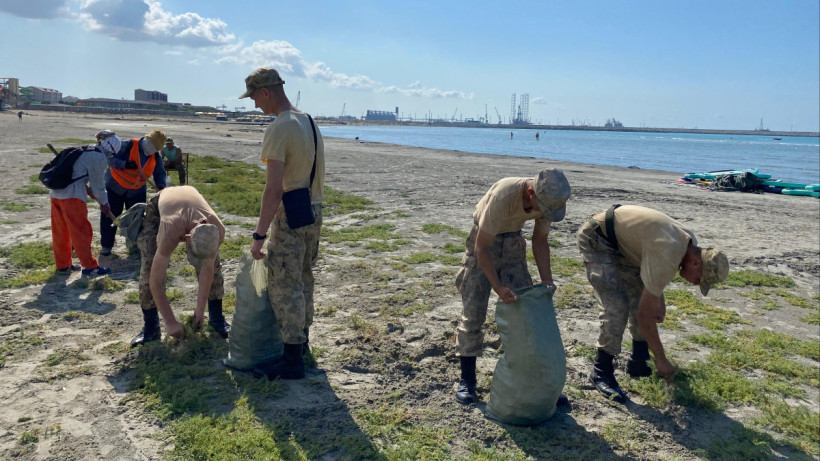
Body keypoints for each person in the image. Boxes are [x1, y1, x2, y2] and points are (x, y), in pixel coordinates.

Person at [576, 205, 729, 403]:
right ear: (696, 263)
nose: (695, 283)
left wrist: (658, 297)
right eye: (700, 280)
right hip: (598, 238)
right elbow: (644, 316)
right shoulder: (670, 252)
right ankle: (601, 371)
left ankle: (639, 361)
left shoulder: (690, 245)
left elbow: (653, 261)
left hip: (625, 244)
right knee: (617, 306)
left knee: (643, 299)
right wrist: (661, 359)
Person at [454, 168, 571, 404]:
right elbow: (482, 246)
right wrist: (497, 286)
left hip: (514, 244)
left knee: (526, 311)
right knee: (473, 312)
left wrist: (547, 281)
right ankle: (467, 380)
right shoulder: (504, 195)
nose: (544, 212)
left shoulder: (548, 199)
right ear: (530, 192)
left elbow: (540, 240)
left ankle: (535, 380)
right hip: (483, 242)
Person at [240, 67, 325, 380]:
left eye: (254, 97)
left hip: (291, 214)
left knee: (285, 284)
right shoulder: (309, 121)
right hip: (314, 210)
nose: (254, 105)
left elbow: (273, 188)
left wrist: (259, 235)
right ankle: (302, 344)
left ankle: (291, 360)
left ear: (266, 92)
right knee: (304, 279)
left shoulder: (280, 127)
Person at [121, 185, 231, 346]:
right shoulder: (171, 228)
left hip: (188, 200)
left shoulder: (216, 230)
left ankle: (216, 320)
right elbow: (155, 281)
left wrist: (200, 311)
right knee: (149, 268)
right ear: (186, 238)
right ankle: (150, 329)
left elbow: (207, 269)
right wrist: (170, 322)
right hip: (157, 210)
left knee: (214, 269)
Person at [49, 135, 118, 276]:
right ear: (109, 149)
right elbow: (98, 186)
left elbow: (78, 174)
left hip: (56, 194)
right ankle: (89, 267)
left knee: (60, 232)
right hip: (72, 197)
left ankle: (63, 265)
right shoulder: (99, 157)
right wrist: (105, 204)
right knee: (81, 231)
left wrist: (88, 190)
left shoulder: (85, 149)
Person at [100, 130, 168, 257]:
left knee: (136, 220)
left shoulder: (155, 156)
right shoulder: (128, 145)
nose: (153, 151)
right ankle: (106, 246)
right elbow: (109, 159)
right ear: (146, 140)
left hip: (137, 192)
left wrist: (161, 187)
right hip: (115, 187)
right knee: (109, 216)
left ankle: (135, 245)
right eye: (152, 147)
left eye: (156, 149)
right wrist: (124, 164)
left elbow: (159, 173)